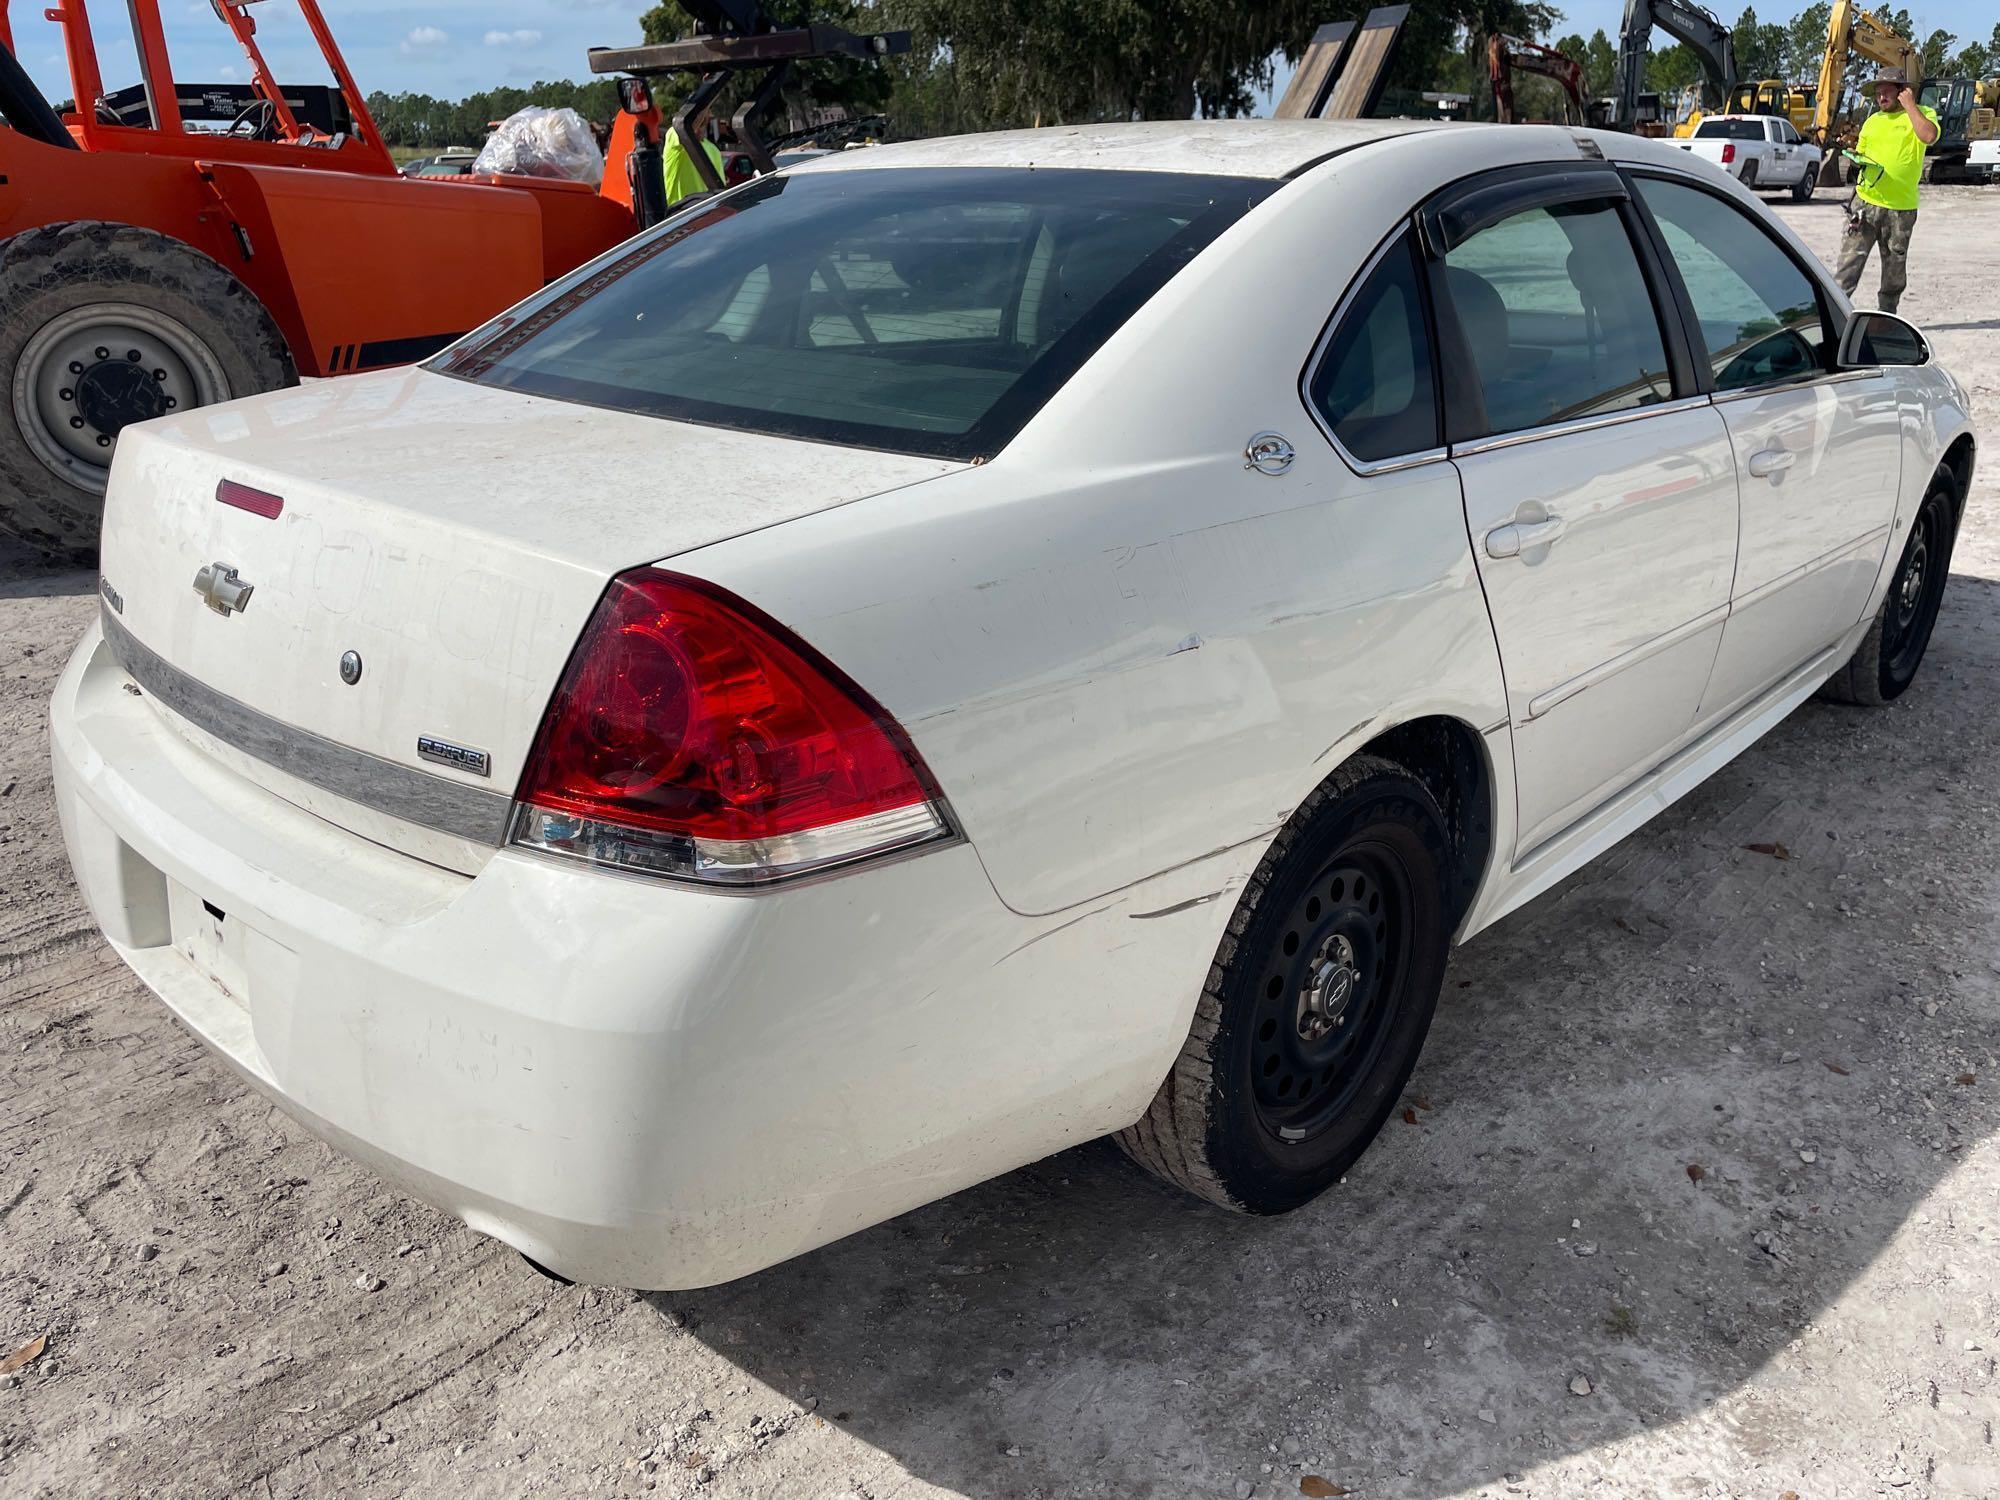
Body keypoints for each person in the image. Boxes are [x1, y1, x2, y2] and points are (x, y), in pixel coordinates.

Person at [1835, 68, 1940, 315]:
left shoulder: (1923, 114)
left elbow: (1928, 136)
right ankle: (1834, 316)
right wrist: (1855, 157)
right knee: (1847, 266)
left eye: (1887, 92)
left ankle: (1886, 319)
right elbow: (1861, 155)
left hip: (1901, 210)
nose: (1881, 97)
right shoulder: (1872, 122)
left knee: (1894, 272)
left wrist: (1910, 106)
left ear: (1902, 91)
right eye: (1878, 93)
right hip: (1866, 204)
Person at [660, 103, 725, 208]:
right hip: (679, 214)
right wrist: (706, 103)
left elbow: (719, 191)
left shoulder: (714, 150)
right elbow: (688, 126)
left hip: (707, 214)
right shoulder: (674, 136)